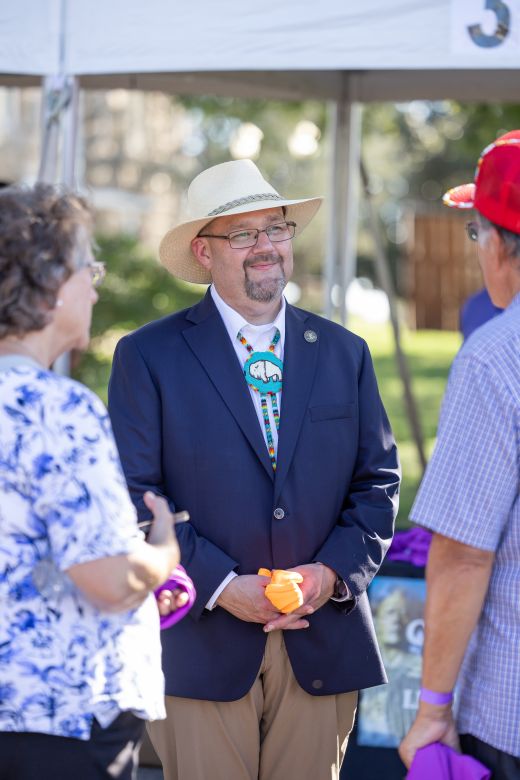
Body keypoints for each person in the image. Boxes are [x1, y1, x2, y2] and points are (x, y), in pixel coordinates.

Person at [108, 159, 400, 780]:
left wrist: (329, 574)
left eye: (277, 228)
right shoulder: (148, 356)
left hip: (321, 637)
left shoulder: (345, 352)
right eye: (243, 233)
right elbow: (133, 495)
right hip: (200, 644)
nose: (266, 245)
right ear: (203, 251)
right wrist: (219, 585)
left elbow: (377, 485)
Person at [0, 183, 182, 780]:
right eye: (88, 268)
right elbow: (109, 578)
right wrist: (162, 554)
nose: (95, 286)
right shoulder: (57, 408)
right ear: (50, 281)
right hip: (58, 719)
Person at [399, 131, 520, 779]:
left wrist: (432, 708)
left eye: (476, 232)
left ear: (498, 242)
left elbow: (464, 552)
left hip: (509, 709)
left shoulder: (496, 356)